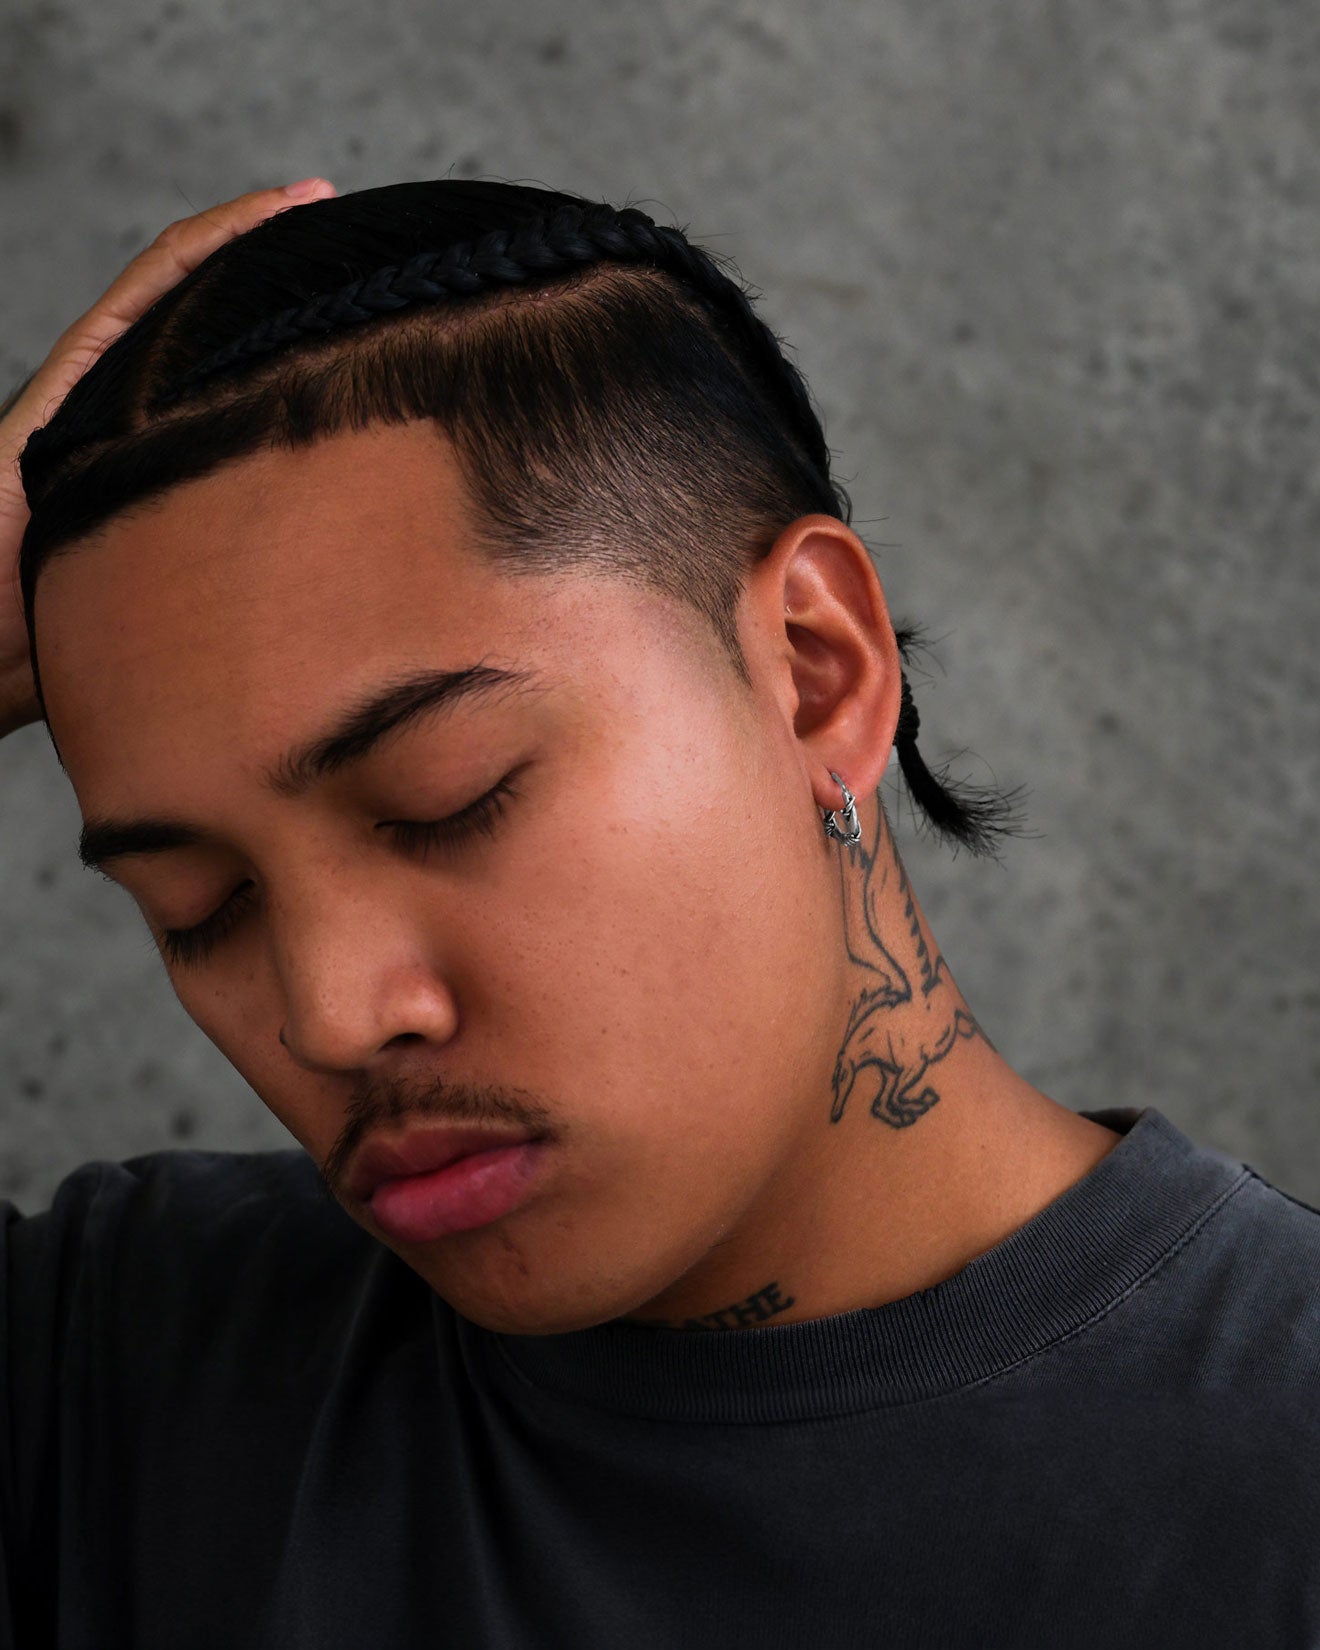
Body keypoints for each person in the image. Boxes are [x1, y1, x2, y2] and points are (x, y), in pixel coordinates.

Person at [1, 176, 1316, 1650]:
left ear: (817, 669)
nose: (328, 1008)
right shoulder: (120, 1373)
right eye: (201, 905)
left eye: (449, 798)